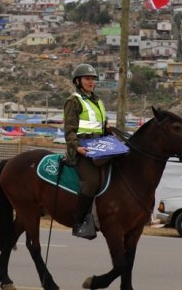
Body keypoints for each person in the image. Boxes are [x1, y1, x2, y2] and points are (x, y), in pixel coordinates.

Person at [63, 63, 110, 240]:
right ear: (78, 81)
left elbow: (99, 126)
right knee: (91, 181)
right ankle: (79, 222)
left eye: (93, 79)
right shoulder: (73, 101)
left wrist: (107, 129)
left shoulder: (98, 101)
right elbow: (69, 130)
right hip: (82, 149)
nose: (91, 82)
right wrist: (77, 148)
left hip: (99, 146)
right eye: (87, 78)